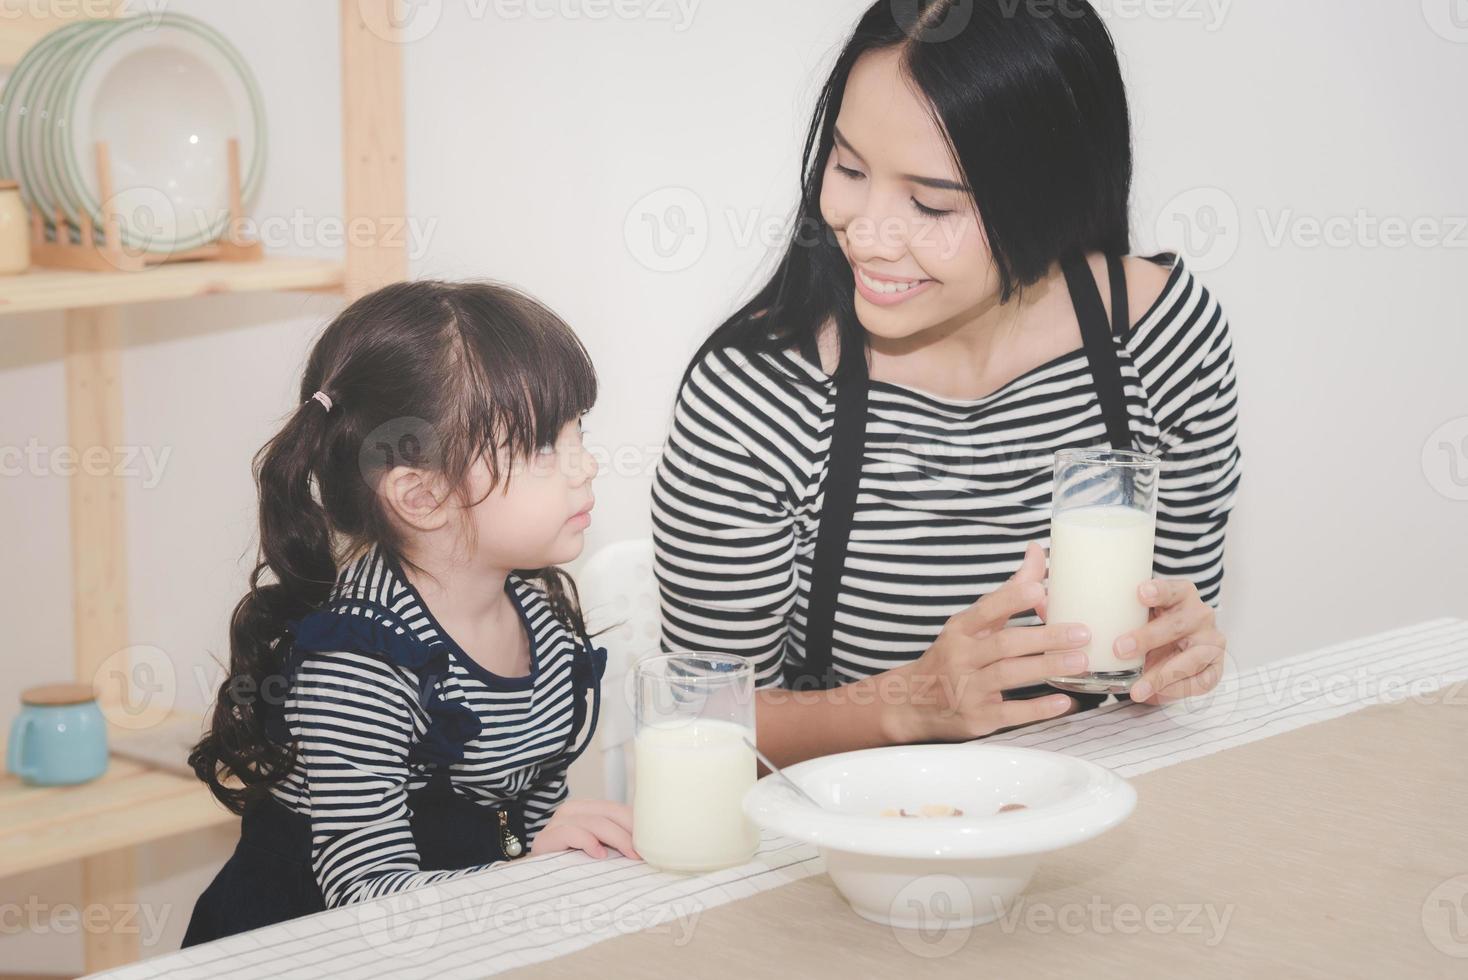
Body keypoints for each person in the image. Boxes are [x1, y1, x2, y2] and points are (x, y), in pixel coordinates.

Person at [652, 0, 1242, 770]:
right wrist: (911, 704)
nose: (864, 231)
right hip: (855, 850)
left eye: (930, 204)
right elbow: (701, 721)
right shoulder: (760, 394)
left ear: (1049, 198)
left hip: (1096, 818)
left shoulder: (1164, 341)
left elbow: (1167, 645)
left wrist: (1181, 655)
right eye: (849, 169)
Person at [184, 280, 637, 945]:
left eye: (579, 432)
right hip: (302, 952)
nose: (587, 465)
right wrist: (527, 871)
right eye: (543, 446)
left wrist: (549, 847)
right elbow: (367, 900)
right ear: (421, 497)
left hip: (453, 938)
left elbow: (521, 821)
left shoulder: (540, 615)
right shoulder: (359, 660)